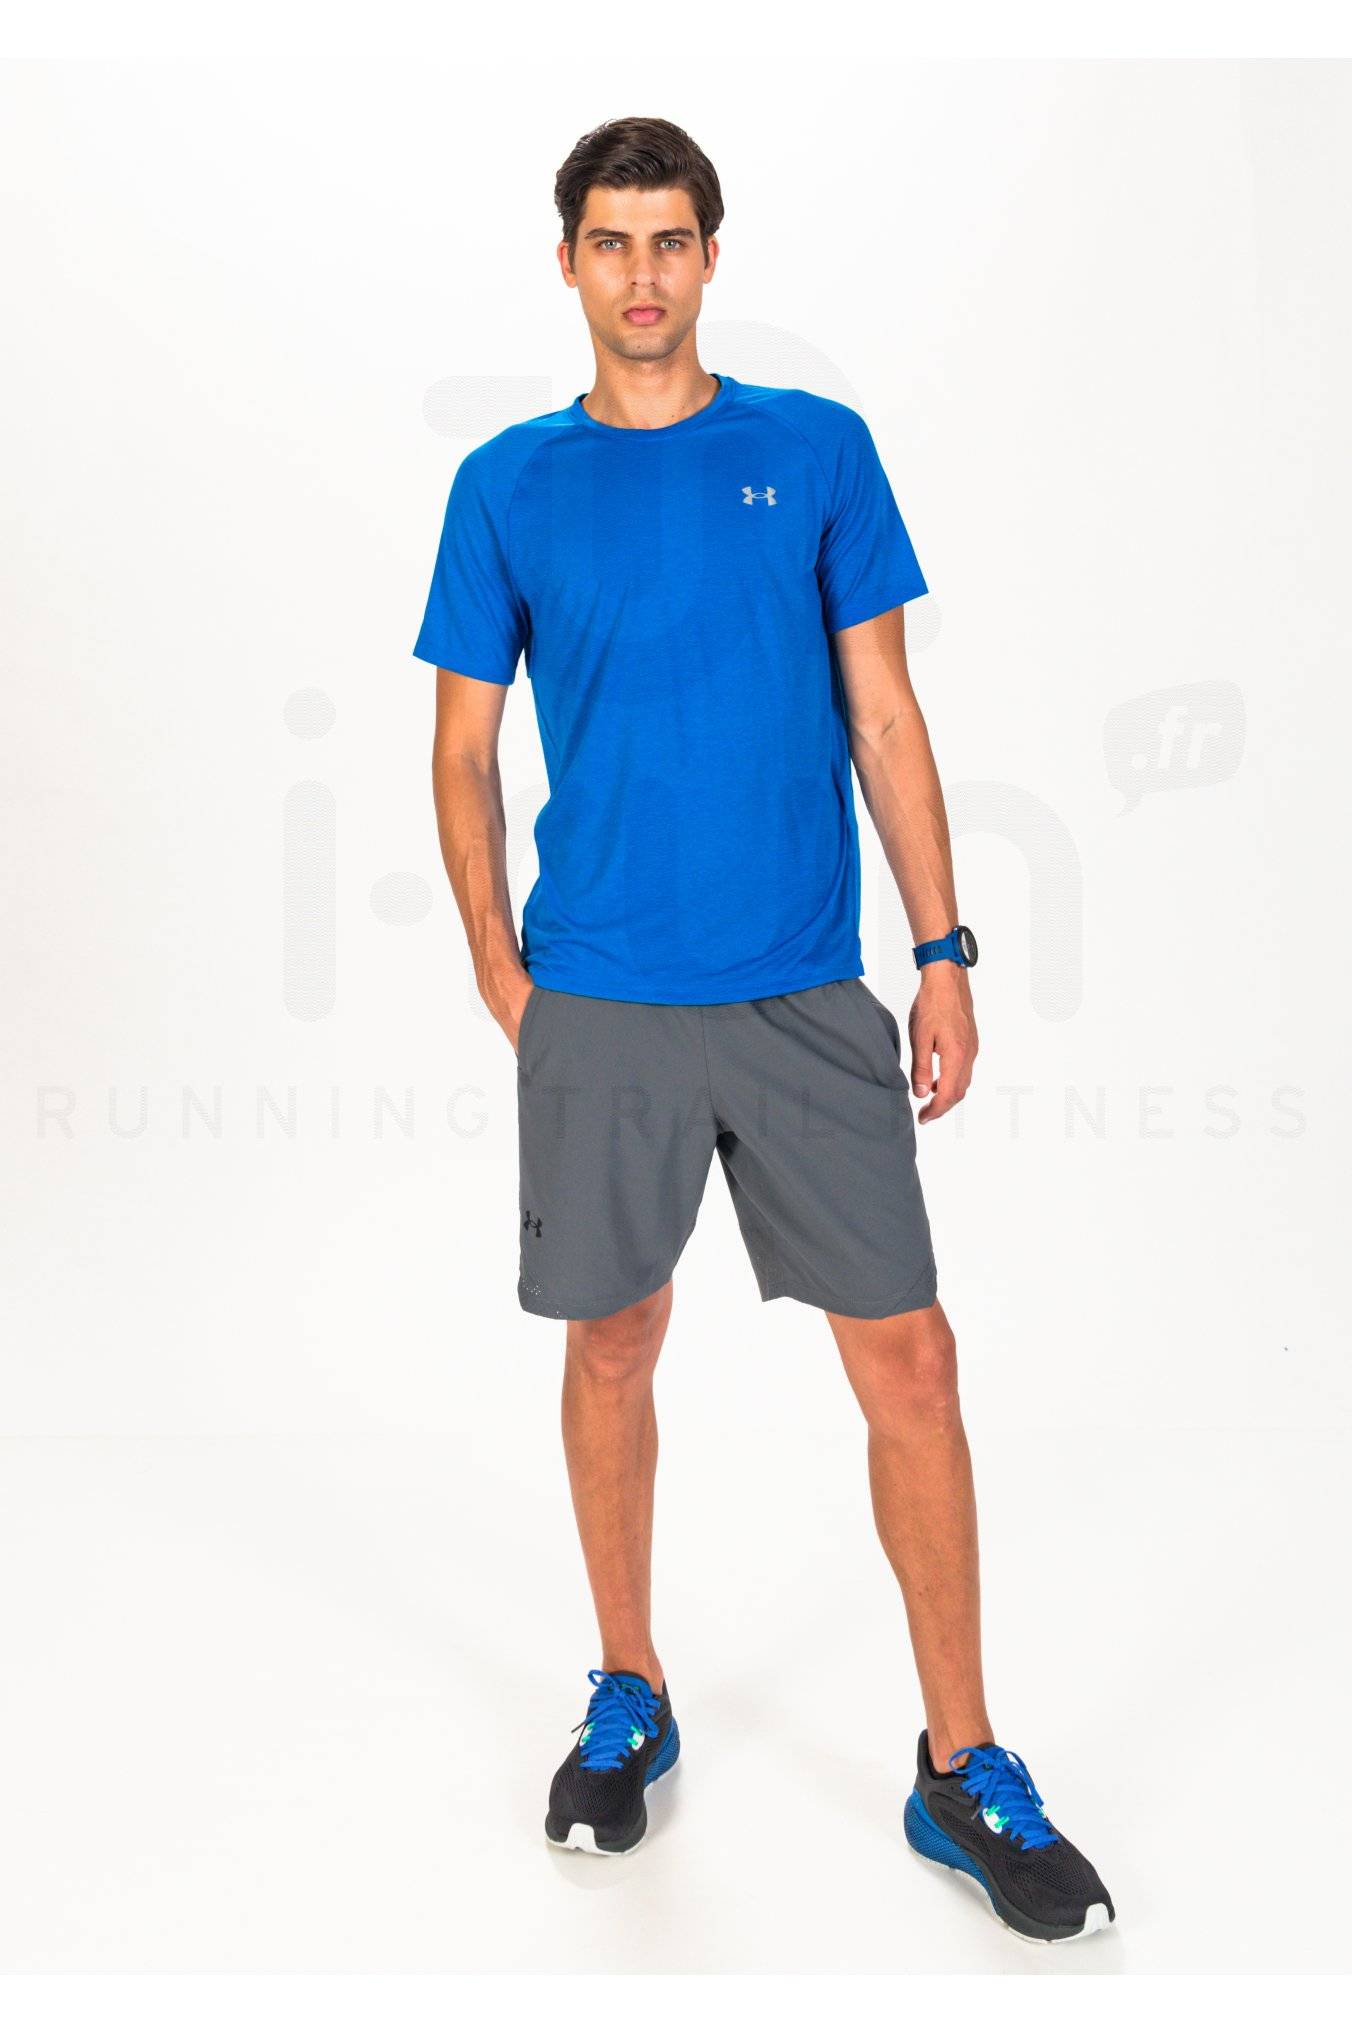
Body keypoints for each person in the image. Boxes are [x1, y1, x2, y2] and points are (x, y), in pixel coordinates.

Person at [412, 116, 1114, 1944]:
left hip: (805, 992)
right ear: (567, 262)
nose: (642, 273)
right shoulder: (507, 484)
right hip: (602, 1001)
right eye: (611, 240)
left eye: (671, 240)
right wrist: (499, 965)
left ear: (712, 257)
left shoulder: (814, 451)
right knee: (615, 1346)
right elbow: (464, 747)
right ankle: (627, 1690)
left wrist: (941, 950)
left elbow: (884, 713)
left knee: (915, 1363)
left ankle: (960, 1762)